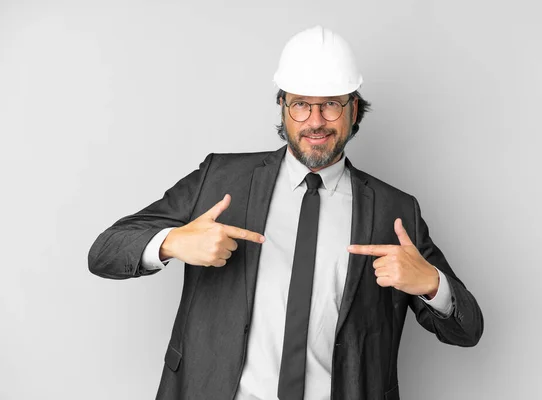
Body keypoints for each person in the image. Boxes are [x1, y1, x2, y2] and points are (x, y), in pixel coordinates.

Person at [88, 25, 483, 400]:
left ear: (354, 109)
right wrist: (172, 242)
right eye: (300, 105)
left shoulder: (395, 210)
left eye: (330, 104)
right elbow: (105, 251)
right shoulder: (220, 179)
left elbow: (467, 330)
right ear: (282, 107)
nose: (315, 121)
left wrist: (432, 283)